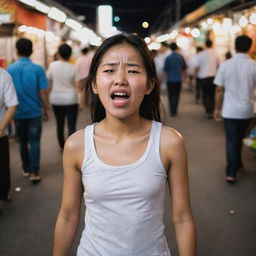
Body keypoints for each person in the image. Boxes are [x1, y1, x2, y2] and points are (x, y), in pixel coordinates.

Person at [53, 34, 196, 256]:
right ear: (95, 84)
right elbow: (68, 216)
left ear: (149, 84)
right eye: (109, 70)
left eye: (132, 70)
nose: (120, 79)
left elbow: (183, 218)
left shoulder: (169, 142)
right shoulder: (77, 145)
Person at [214, 35, 256, 183]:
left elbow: (219, 89)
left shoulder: (226, 65)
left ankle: (231, 171)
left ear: (235, 46)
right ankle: (237, 164)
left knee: (232, 140)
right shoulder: (254, 65)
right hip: (247, 110)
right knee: (239, 139)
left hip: (230, 110)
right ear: (249, 47)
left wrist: (217, 109)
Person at [7, 38, 49, 183]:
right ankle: (34, 172)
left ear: (16, 51)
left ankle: (25, 168)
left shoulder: (10, 69)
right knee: (35, 141)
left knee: (22, 142)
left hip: (17, 113)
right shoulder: (38, 69)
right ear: (31, 51)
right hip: (34, 112)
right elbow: (43, 92)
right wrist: (46, 109)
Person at [47, 43, 80, 152]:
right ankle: (70, 148)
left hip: (56, 99)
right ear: (70, 54)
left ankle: (62, 146)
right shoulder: (73, 68)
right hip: (71, 99)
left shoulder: (52, 66)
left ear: (59, 54)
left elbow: (49, 83)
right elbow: (77, 87)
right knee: (71, 125)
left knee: (59, 124)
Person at [0, 68, 18, 201]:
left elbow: (12, 105)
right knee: (2, 167)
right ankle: (4, 194)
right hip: (1, 133)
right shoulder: (3, 75)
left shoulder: (4, 74)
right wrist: (1, 128)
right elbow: (12, 105)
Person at [194, 39, 219, 118]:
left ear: (205, 45)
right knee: (212, 94)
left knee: (205, 94)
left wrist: (195, 76)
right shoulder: (216, 54)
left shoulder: (201, 54)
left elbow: (197, 67)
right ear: (212, 44)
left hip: (203, 78)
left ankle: (208, 110)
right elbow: (219, 65)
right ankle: (212, 110)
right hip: (214, 77)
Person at [164, 42, 187, 116]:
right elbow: (184, 67)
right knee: (177, 95)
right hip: (178, 79)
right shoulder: (180, 57)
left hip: (170, 79)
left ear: (170, 48)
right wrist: (185, 77)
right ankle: (175, 110)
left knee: (171, 95)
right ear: (176, 48)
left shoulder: (168, 58)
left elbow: (165, 69)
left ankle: (172, 110)